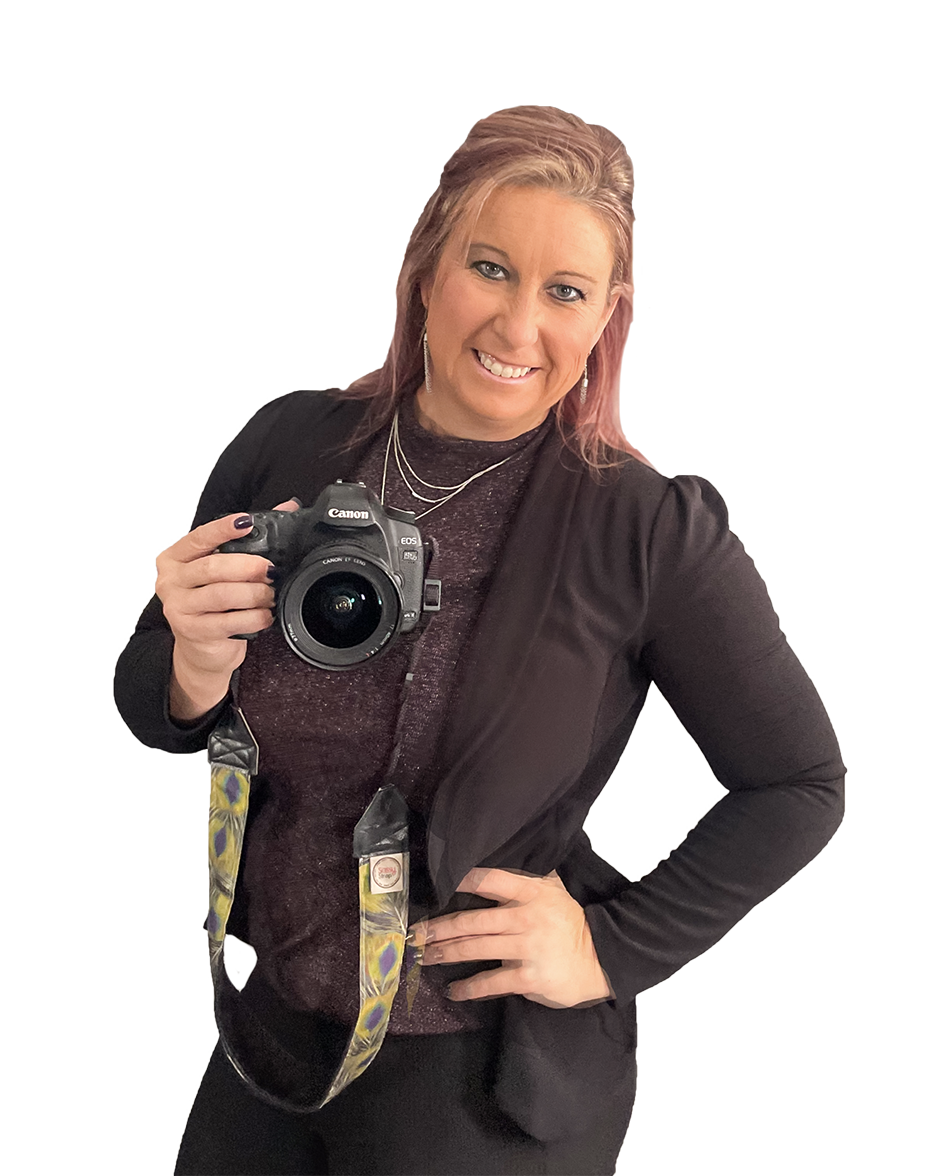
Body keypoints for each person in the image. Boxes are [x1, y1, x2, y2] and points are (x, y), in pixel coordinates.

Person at [113, 106, 846, 1176]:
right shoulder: (288, 444)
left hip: (477, 1080)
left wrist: (607, 948)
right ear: (427, 271)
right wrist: (190, 665)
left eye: (566, 292)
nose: (517, 328)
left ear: (604, 321)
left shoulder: (644, 532)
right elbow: (150, 704)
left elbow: (800, 784)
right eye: (491, 268)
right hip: (271, 1041)